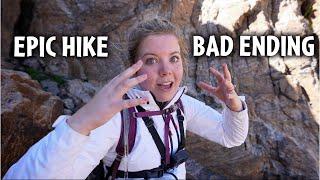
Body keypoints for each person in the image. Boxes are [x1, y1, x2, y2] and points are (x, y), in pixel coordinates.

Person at [4, 19, 249, 179]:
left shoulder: (182, 105)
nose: (166, 70)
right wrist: (83, 122)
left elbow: (230, 137)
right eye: (152, 60)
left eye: (174, 58)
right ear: (134, 66)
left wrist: (233, 104)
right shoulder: (117, 117)